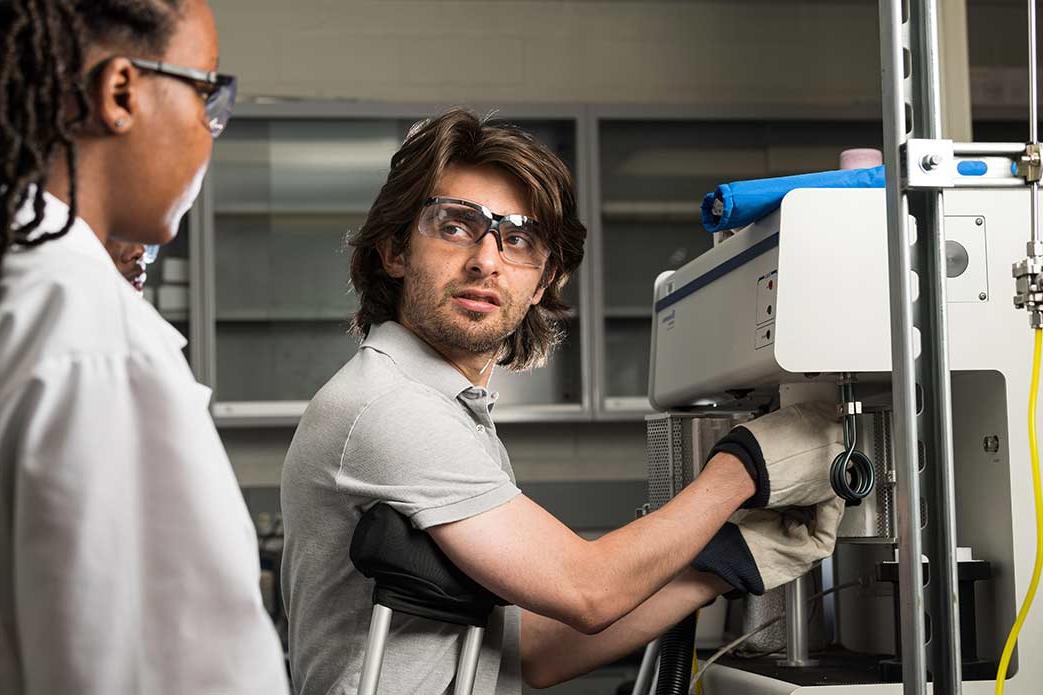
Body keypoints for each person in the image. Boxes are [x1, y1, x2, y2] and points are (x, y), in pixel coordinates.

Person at [280, 109, 845, 695]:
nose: (486, 260)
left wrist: (726, 562)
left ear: (545, 278)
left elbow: (535, 653)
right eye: (454, 227)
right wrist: (745, 468)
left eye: (518, 239)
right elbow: (588, 591)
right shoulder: (391, 407)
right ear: (395, 252)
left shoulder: (446, 407)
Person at [0, 1, 288, 693]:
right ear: (120, 92)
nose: (209, 130)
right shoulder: (95, 341)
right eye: (207, 94)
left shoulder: (27, 293)